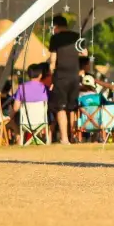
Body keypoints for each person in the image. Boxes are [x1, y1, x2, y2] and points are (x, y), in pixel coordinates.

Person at [48, 15, 86, 144]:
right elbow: (84, 53)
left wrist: (51, 74)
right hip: (74, 76)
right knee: (72, 108)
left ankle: (65, 138)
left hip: (61, 76)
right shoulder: (76, 36)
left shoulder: (55, 38)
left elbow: (53, 60)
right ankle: (74, 136)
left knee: (61, 108)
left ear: (56, 26)